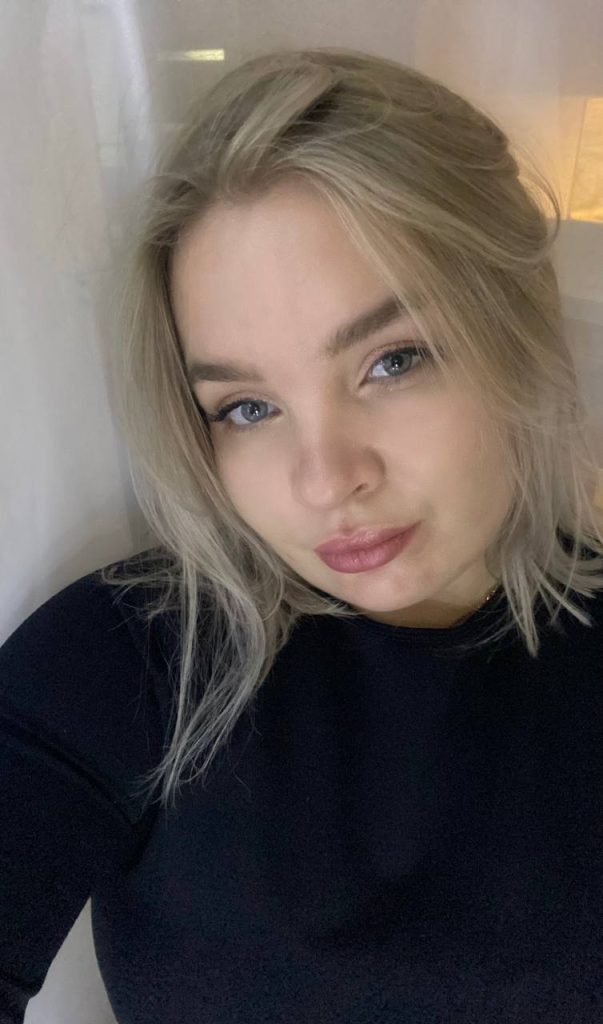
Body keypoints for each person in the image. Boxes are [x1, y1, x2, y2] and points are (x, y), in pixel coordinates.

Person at [2, 45, 603, 1024]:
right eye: (247, 408)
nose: (326, 479)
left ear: (516, 325)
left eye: (392, 361)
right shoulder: (136, 658)